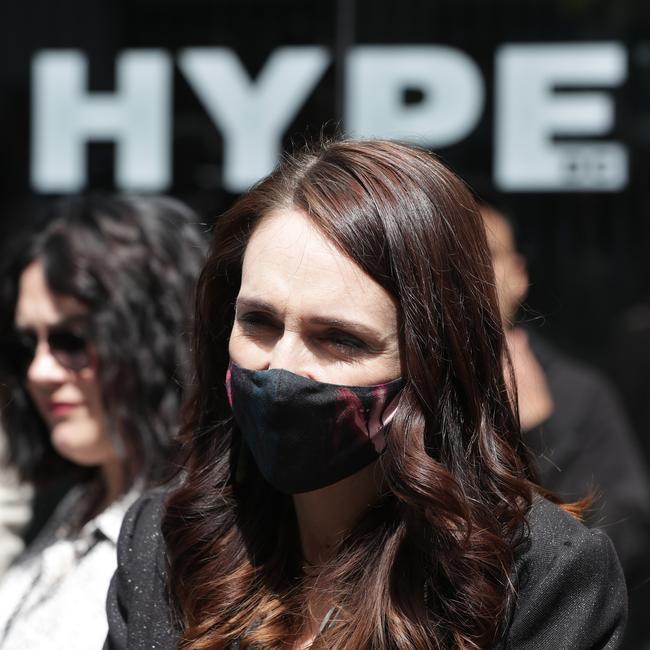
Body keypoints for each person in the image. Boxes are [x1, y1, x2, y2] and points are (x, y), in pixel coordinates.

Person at [106, 140, 626, 650]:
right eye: (258, 323)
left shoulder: (537, 577)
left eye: (340, 339)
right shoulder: (166, 540)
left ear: (435, 362)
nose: (284, 366)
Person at [0, 195, 205, 650]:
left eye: (70, 340)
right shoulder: (78, 502)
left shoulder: (197, 537)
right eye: (26, 345)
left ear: (156, 339)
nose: (39, 371)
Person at [480, 201, 650, 648]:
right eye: (455, 256)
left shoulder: (579, 393)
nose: (471, 272)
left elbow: (622, 541)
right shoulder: (387, 385)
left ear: (517, 275)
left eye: (487, 256)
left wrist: (541, 431)